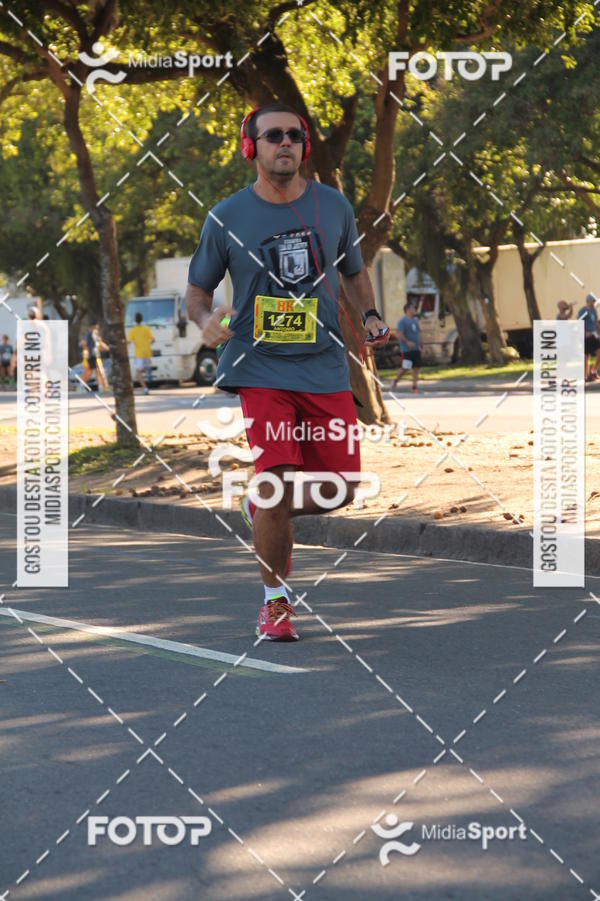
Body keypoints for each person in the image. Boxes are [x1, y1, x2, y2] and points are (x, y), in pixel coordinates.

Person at [185, 103, 389, 641]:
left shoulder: (334, 206)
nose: (286, 143)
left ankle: (259, 506)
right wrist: (207, 321)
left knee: (340, 488)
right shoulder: (226, 216)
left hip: (323, 368)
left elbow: (354, 273)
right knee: (276, 479)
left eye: (295, 135)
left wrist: (368, 317)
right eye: (273, 135)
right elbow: (197, 294)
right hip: (260, 366)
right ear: (251, 147)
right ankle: (276, 602)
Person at [392, 302, 423, 393]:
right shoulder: (402, 321)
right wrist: (407, 342)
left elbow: (419, 333)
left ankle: (414, 387)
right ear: (408, 310)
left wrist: (422, 345)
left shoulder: (415, 321)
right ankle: (395, 380)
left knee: (416, 367)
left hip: (416, 349)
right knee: (406, 367)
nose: (414, 309)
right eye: (413, 308)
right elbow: (400, 334)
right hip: (406, 350)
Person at [127, 311, 154, 394]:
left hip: (139, 354)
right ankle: (148, 372)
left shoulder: (133, 330)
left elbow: (128, 342)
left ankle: (145, 388)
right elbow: (153, 339)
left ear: (135, 320)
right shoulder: (146, 328)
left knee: (138, 373)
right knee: (145, 369)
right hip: (148, 352)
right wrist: (147, 344)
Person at [577, 293, 600, 382]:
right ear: (588, 301)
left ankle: (593, 371)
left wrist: (599, 334)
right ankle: (585, 376)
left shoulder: (593, 310)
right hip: (585, 336)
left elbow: (596, 323)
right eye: (593, 301)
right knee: (586, 356)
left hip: (594, 335)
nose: (594, 302)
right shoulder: (583, 310)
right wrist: (584, 332)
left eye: (595, 301)